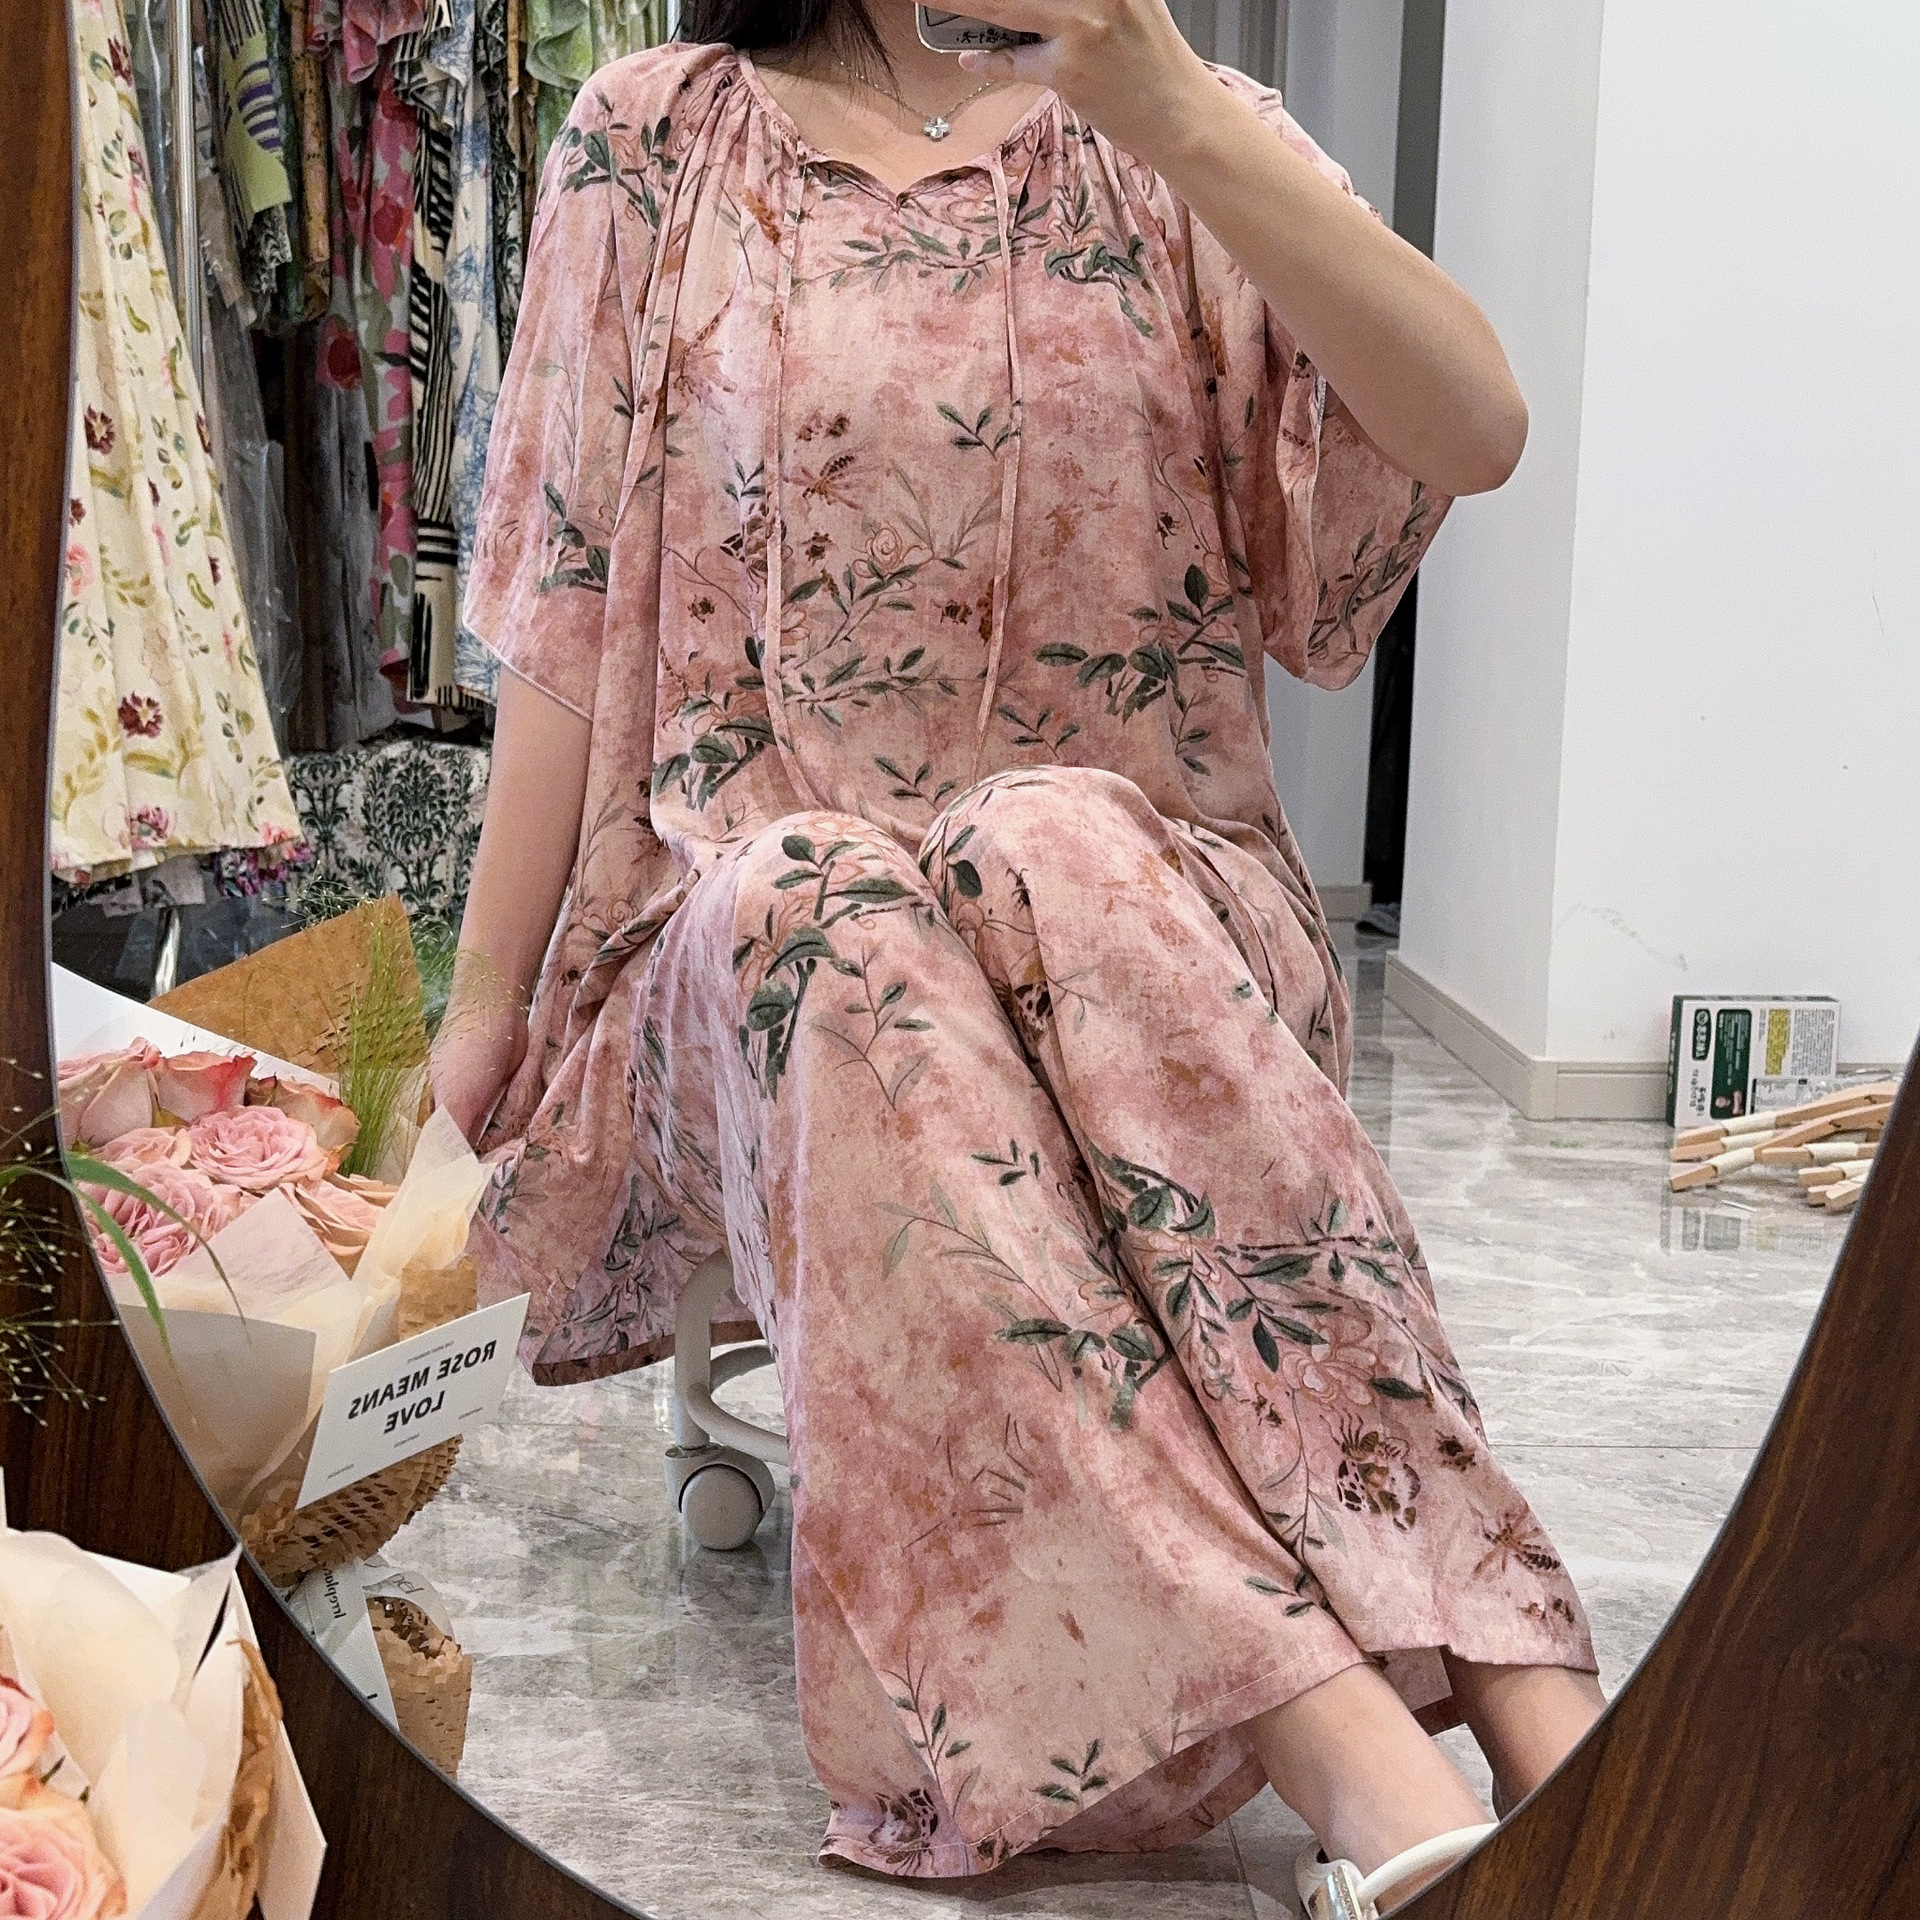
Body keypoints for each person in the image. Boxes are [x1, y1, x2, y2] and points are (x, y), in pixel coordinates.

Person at [433, 0, 1605, 1909]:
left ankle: (1541, 1705)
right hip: (766, 952)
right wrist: (483, 1019)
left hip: (1144, 925)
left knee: (1045, 835)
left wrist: (1173, 115)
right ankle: (1367, 1764)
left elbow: (1476, 426)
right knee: (829, 906)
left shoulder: (1180, 130)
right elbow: (563, 614)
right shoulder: (653, 140)